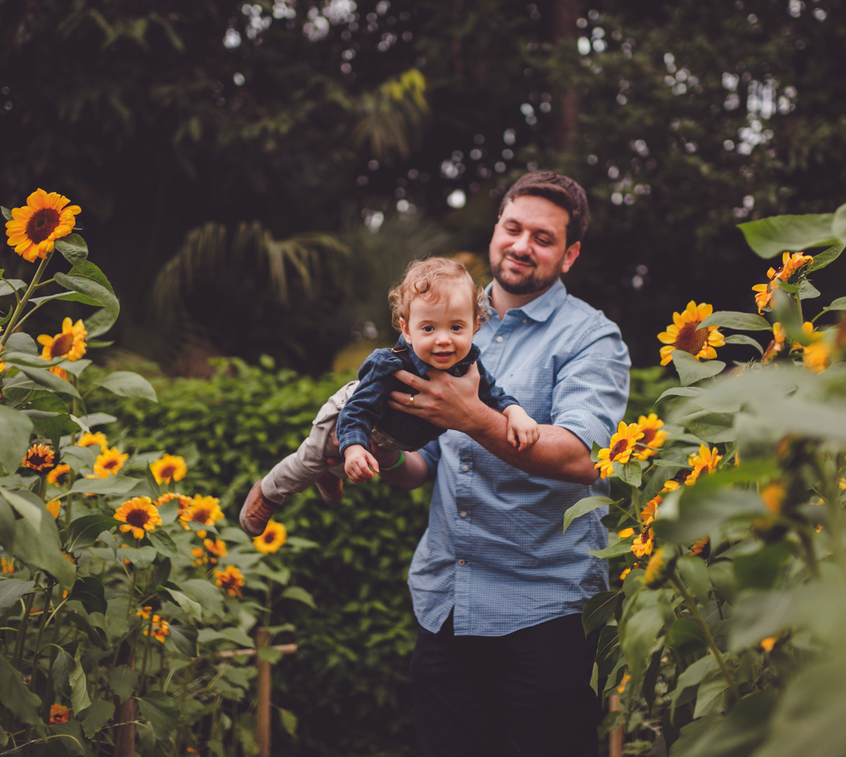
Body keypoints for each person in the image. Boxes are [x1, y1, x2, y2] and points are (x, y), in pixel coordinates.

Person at [374, 171, 630, 756]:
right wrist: (381, 450)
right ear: (495, 230)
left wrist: (473, 417)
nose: (521, 245)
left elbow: (584, 456)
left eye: (543, 238)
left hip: (547, 611)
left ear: (569, 255)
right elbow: (424, 463)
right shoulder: (442, 321)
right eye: (513, 228)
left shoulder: (593, 338)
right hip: (447, 602)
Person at [239, 257, 539, 534]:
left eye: (456, 327)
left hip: (384, 438)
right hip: (346, 414)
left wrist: (515, 412)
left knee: (340, 462)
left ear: (475, 326)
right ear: (407, 330)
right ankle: (268, 492)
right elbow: (356, 413)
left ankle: (330, 471)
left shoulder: (469, 365)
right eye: (428, 328)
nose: (443, 339)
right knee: (309, 461)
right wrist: (353, 448)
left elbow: (494, 395)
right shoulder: (390, 364)